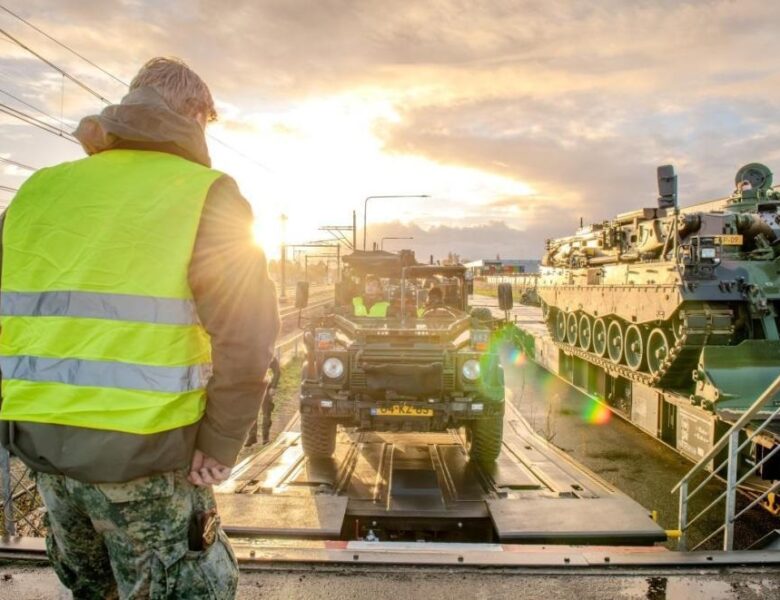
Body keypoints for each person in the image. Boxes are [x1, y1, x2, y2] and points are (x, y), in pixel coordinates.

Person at [0, 57, 280, 598]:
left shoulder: (36, 191)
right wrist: (220, 441)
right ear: (197, 114)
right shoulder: (206, 193)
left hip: (44, 454)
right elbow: (246, 338)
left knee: (91, 589)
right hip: (146, 458)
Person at [244, 356, 281, 447]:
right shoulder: (247, 354)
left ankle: (265, 437)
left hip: (266, 387)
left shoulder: (268, 353)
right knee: (251, 413)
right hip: (252, 388)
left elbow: (277, 371)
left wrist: (273, 387)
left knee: (266, 412)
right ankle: (252, 437)